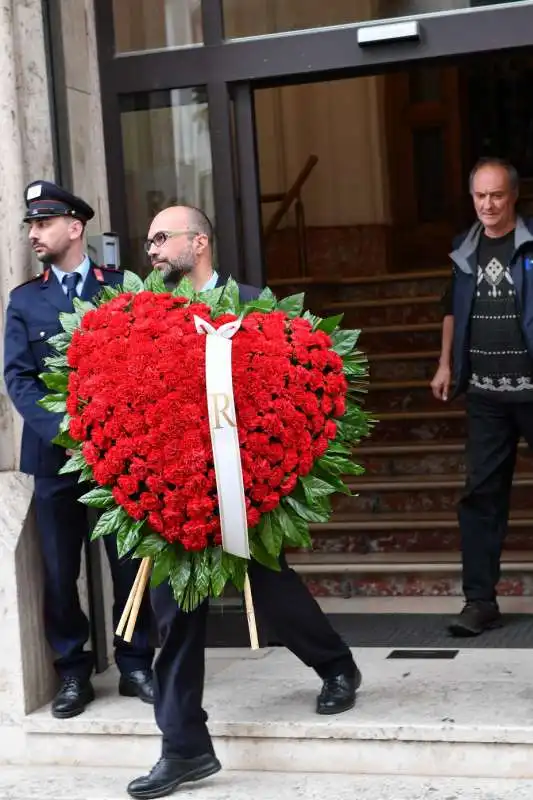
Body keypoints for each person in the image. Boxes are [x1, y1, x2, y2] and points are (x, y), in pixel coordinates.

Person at [126, 205, 361, 800]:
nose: (151, 249)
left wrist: (265, 473)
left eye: (161, 238)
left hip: (241, 491)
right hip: (175, 497)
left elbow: (289, 390)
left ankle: (336, 666)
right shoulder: (143, 317)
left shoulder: (257, 307)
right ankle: (185, 750)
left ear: (198, 241)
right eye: (148, 240)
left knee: (276, 597)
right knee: (173, 618)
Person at [3, 181, 155, 718]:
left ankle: (136, 662)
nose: (34, 235)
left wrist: (118, 430)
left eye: (43, 224)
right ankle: (73, 672)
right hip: (54, 456)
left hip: (119, 452)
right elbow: (18, 378)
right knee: (60, 570)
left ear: (75, 227)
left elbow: (145, 365)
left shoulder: (121, 289)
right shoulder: (25, 299)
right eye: (30, 226)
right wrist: (66, 431)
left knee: (126, 561)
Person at [430, 158, 533, 637]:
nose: (487, 205)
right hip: (487, 395)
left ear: (512, 196)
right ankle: (479, 601)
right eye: (479, 196)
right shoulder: (464, 249)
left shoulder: (530, 244)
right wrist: (446, 363)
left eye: (496, 196)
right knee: (481, 497)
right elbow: (453, 309)